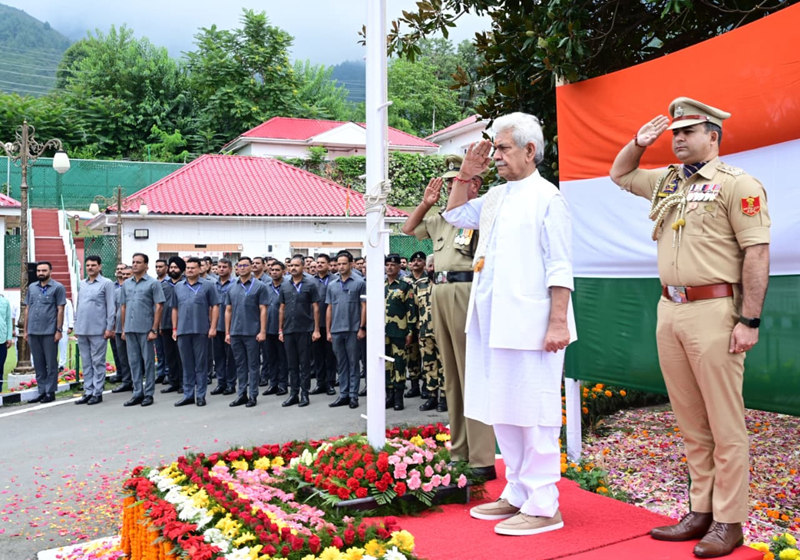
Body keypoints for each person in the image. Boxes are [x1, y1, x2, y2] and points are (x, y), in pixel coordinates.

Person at [609, 98, 770, 558]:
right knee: (691, 421)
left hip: (715, 311)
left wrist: (749, 320)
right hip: (671, 309)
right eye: (674, 133)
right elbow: (620, 174)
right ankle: (700, 511)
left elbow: (757, 252)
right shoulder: (668, 181)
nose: (677, 139)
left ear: (712, 136)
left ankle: (729, 521)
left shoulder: (737, 184)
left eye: (688, 132)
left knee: (724, 423)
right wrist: (638, 143)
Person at [444, 113, 577, 536]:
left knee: (534, 412)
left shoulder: (548, 197)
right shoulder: (497, 196)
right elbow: (455, 215)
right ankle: (518, 491)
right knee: (504, 409)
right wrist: (466, 174)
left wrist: (558, 323)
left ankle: (544, 503)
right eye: (495, 149)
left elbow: (560, 265)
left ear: (529, 150)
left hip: (533, 323)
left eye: (502, 148)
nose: (496, 155)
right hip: (492, 321)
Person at [401, 153, 497, 480]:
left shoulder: (481, 215)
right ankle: (460, 450)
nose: (449, 189)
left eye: (458, 181)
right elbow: (408, 228)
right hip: (439, 292)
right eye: (449, 183)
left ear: (475, 185)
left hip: (466, 289)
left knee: (473, 373)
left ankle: (482, 457)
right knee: (452, 375)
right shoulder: (440, 219)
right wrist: (426, 204)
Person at [171, 257, 219, 407]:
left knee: (200, 364)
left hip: (201, 330)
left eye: (193, 268)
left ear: (199, 269)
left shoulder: (208, 286)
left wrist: (213, 327)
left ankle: (200, 395)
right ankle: (188, 394)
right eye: (188, 268)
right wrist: (174, 328)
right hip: (182, 330)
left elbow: (215, 306)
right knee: (186, 364)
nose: (190, 270)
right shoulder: (178, 286)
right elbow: (174, 308)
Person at [120, 253, 165, 407]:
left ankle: (149, 393)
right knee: (133, 362)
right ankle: (137, 392)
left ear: (146, 265)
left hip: (146, 328)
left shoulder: (153, 283)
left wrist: (154, 329)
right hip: (130, 328)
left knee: (148, 362)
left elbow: (159, 306)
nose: (135, 265)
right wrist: (124, 328)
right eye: (133, 262)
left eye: (138, 262)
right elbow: (123, 306)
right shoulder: (126, 284)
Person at [279, 255, 321, 407]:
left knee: (304, 364)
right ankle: (293, 394)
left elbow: (316, 308)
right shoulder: (285, 285)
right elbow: (281, 308)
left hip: (305, 329)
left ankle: (304, 393)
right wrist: (280, 330)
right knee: (292, 364)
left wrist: (316, 329)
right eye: (291, 266)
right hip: (288, 329)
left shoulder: (310, 284)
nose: (293, 268)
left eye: (296, 265)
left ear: (303, 267)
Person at [226, 257, 268, 408]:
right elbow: (228, 310)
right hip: (235, 332)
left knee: (253, 365)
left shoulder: (260, 286)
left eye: (245, 265)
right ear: (236, 268)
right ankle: (241, 394)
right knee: (240, 365)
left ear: (251, 267)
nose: (242, 268)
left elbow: (263, 310)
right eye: (240, 265)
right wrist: (227, 332)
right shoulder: (232, 287)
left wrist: (262, 331)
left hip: (252, 332)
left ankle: (253, 395)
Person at [326, 251, 366, 409]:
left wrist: (362, 327)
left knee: (353, 363)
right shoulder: (332, 285)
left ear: (351, 264)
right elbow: (329, 308)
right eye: (338, 264)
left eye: (344, 263)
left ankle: (353, 395)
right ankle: (343, 394)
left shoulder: (360, 283)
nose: (341, 267)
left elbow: (364, 307)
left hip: (353, 329)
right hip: (336, 330)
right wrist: (328, 331)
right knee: (341, 364)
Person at [74, 255, 115, 406]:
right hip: (82, 329)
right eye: (88, 265)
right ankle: (88, 391)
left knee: (98, 362)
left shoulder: (107, 283)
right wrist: (76, 325)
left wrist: (109, 328)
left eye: (93, 265)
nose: (90, 268)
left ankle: (97, 392)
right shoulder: (82, 283)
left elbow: (111, 307)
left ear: (100, 266)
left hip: (98, 329)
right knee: (86, 362)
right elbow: (79, 305)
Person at [407, 251, 446, 412]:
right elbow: (414, 310)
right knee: (429, 366)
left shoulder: (445, 282)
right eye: (430, 265)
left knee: (444, 366)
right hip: (425, 333)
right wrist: (413, 331)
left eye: (435, 265)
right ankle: (432, 396)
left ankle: (445, 398)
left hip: (443, 332)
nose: (432, 268)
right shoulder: (419, 285)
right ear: (426, 267)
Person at [24, 261, 67, 404]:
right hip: (33, 331)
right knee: (38, 363)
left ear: (50, 271)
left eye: (44, 270)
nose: (41, 273)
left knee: (51, 363)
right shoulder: (32, 287)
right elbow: (27, 309)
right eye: (38, 271)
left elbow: (60, 309)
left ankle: (50, 391)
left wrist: (58, 330)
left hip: (49, 331)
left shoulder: (58, 287)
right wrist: (26, 330)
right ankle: (41, 391)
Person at [383, 254, 416, 411]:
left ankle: (398, 397)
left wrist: (410, 331)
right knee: (386, 364)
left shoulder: (405, 285)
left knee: (399, 363)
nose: (389, 267)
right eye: (387, 265)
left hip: (400, 331)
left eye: (393, 265)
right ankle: (389, 395)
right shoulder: (381, 285)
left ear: (398, 267)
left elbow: (411, 309)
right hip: (383, 332)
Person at [403, 251, 429, 400]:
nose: (416, 263)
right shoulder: (405, 281)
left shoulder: (429, 279)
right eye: (413, 261)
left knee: (427, 356)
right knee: (411, 356)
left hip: (424, 324)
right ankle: (414, 386)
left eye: (419, 260)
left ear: (424, 263)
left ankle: (426, 386)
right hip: (409, 324)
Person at [310, 254, 337, 396]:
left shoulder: (335, 280)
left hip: (331, 324)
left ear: (328, 264)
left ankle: (330, 383)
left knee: (330, 355)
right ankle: (320, 383)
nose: (319, 265)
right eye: (318, 262)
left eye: (322, 262)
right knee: (318, 356)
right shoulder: (310, 281)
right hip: (315, 324)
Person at [210, 258, 237, 396]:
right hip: (216, 326)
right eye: (219, 266)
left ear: (230, 269)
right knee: (218, 356)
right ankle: (221, 383)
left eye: (224, 267)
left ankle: (231, 384)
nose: (221, 269)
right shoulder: (213, 284)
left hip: (231, 327)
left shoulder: (235, 284)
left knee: (230, 358)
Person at [262, 261, 288, 396]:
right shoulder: (265, 287)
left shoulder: (288, 286)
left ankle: (283, 384)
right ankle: (273, 384)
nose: (274, 272)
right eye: (272, 270)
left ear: (283, 271)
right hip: (268, 328)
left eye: (277, 270)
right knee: (270, 358)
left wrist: (282, 329)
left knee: (283, 358)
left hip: (283, 328)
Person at [159, 258, 184, 394]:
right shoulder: (163, 285)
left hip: (182, 325)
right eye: (171, 267)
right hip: (166, 324)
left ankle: (183, 383)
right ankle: (173, 381)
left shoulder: (185, 283)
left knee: (181, 355)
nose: (173, 270)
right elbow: (158, 305)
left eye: (176, 267)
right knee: (170, 355)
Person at [111, 265, 133, 392]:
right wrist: (114, 328)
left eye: (128, 275)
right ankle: (126, 381)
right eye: (123, 275)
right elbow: (113, 311)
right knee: (123, 357)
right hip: (119, 329)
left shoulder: (137, 290)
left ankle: (136, 381)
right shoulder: (117, 292)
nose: (124, 277)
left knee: (134, 357)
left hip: (134, 329)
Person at [153, 259, 169, 383]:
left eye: (161, 266)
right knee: (158, 349)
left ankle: (168, 372)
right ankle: (160, 372)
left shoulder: (169, 283)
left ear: (166, 268)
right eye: (156, 267)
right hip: (154, 319)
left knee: (167, 348)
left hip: (166, 319)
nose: (158, 269)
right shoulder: (153, 282)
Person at [0, 291, 15, 393]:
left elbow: (8, 321)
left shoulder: (5, 302)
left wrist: (9, 337)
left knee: (0, 366)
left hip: (2, 339)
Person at [57, 299, 74, 371]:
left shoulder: (67, 302)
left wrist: (70, 326)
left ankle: (61, 365)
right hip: (52, 329)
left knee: (63, 348)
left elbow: (70, 314)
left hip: (64, 328)